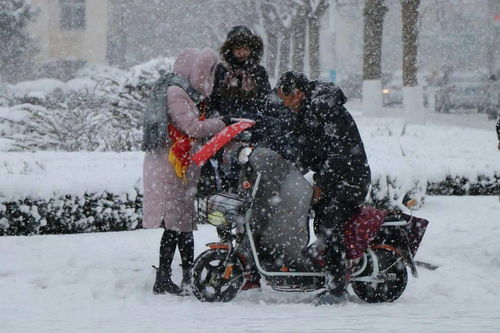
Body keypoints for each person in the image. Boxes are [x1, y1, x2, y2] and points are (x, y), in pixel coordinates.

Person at [275, 71, 371, 304]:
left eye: (284, 98)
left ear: (296, 94)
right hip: (336, 178)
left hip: (351, 178)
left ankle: (337, 290)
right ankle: (323, 272)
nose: (283, 103)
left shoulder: (323, 108)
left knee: (329, 224)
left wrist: (321, 183)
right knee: (319, 221)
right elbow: (309, 150)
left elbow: (340, 153)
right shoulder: (307, 111)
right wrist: (288, 172)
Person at [142, 48, 228, 295]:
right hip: (171, 169)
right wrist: (223, 123)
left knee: (181, 226)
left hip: (175, 168)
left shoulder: (177, 90)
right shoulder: (176, 93)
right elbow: (192, 127)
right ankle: (171, 279)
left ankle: (180, 277)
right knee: (177, 226)